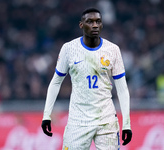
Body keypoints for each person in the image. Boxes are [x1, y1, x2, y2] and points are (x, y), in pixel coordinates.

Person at [41, 7, 132, 150]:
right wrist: (46, 115)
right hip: (78, 121)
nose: (95, 25)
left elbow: (122, 89)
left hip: (106, 120)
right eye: (90, 21)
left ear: (102, 24)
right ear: (81, 25)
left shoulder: (113, 50)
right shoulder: (69, 49)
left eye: (98, 21)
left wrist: (126, 124)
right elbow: (56, 82)